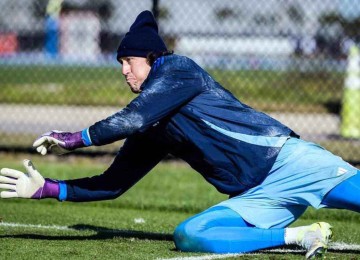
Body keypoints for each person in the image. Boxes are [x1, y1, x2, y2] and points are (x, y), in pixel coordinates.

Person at [0, 10, 359, 259]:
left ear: (151, 58)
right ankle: (301, 235)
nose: (124, 71)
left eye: (129, 61)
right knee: (190, 235)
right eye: (120, 64)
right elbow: (113, 184)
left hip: (290, 162)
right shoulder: (151, 123)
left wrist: (75, 138)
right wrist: (48, 189)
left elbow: (130, 120)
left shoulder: (178, 69)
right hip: (257, 196)